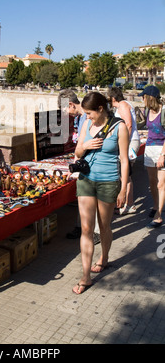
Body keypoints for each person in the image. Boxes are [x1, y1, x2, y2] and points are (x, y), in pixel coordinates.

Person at [72, 91, 129, 294]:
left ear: (100, 109)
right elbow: (77, 152)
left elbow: (124, 160)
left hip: (108, 182)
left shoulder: (119, 127)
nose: (87, 117)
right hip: (86, 180)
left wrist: (123, 189)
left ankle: (104, 258)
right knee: (87, 228)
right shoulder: (87, 125)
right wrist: (86, 145)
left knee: (104, 227)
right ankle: (86, 276)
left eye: (90, 113)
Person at [58, 90, 101, 244]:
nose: (66, 114)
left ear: (70, 104)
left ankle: (95, 231)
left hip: (91, 164)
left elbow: (85, 144)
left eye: (65, 110)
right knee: (82, 197)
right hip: (84, 163)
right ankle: (81, 226)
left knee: (91, 198)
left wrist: (76, 164)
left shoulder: (86, 118)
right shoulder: (81, 118)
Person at [108, 87, 141, 215]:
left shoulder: (122, 105)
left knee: (126, 175)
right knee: (126, 175)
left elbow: (128, 124)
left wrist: (123, 142)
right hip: (131, 141)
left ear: (113, 98)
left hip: (130, 141)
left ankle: (129, 204)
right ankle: (128, 204)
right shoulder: (125, 104)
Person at [138, 85, 165, 228]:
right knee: (152, 182)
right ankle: (156, 205)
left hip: (162, 149)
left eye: (144, 96)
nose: (142, 98)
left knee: (161, 184)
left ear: (149, 98)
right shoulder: (147, 111)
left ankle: (159, 215)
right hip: (149, 148)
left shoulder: (164, 111)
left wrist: (162, 155)